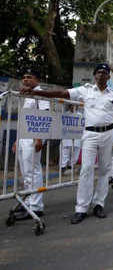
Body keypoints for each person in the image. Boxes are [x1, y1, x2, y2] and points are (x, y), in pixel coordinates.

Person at [20, 63, 113, 223]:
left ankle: (98, 204)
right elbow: (62, 93)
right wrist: (34, 92)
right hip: (90, 134)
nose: (102, 74)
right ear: (94, 76)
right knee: (86, 170)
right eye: (99, 72)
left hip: (109, 134)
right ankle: (81, 208)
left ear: (109, 77)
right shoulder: (84, 90)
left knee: (104, 170)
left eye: (105, 72)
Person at [12, 68, 49, 219]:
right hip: (24, 137)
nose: (26, 79)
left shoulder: (41, 94)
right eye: (24, 77)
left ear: (37, 80)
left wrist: (39, 138)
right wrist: (17, 139)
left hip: (34, 137)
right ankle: (28, 201)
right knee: (26, 172)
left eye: (29, 77)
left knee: (33, 170)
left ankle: (36, 206)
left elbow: (43, 116)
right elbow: (24, 119)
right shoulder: (27, 95)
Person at [61, 105, 82, 173]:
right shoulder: (65, 114)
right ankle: (63, 167)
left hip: (76, 137)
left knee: (75, 154)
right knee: (65, 152)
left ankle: (71, 166)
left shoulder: (80, 115)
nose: (74, 107)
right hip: (67, 136)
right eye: (72, 106)